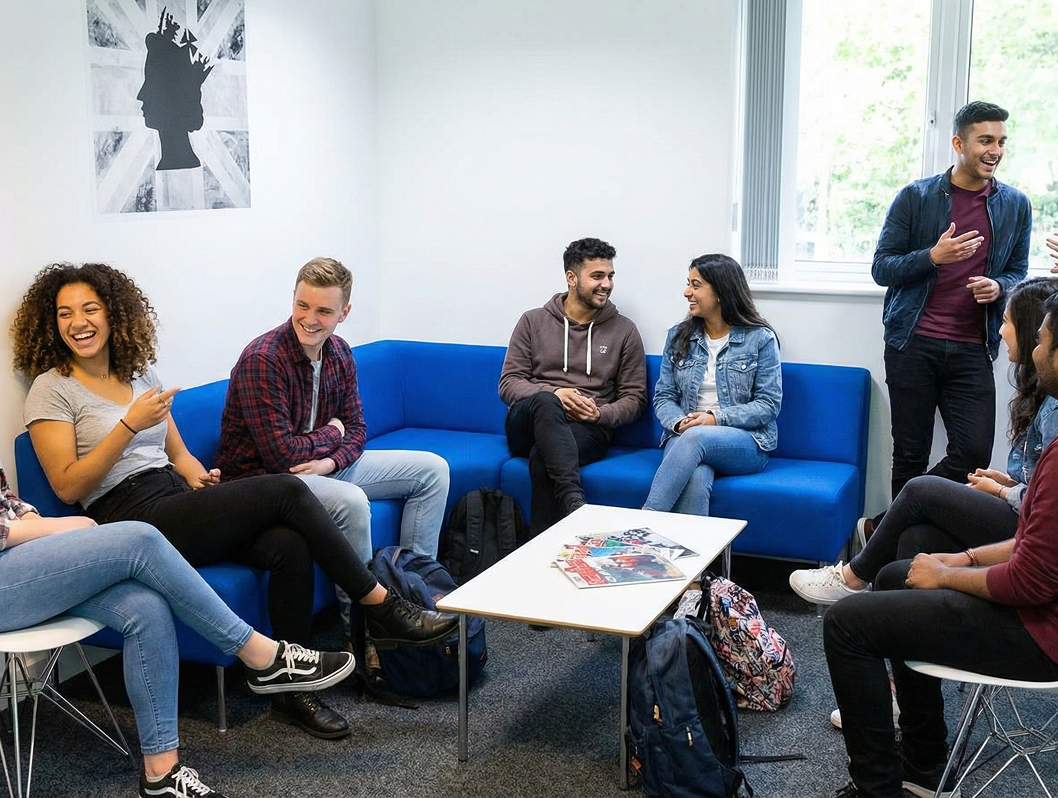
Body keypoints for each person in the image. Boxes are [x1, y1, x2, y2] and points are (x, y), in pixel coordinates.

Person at [11, 262, 458, 742]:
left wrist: (203, 480)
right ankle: (382, 604)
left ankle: (291, 693)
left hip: (174, 495)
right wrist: (127, 426)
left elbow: (176, 452)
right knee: (286, 489)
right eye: (64, 313)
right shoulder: (51, 388)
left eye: (90, 308)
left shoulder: (137, 373)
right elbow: (68, 487)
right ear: (51, 324)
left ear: (112, 312)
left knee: (289, 544)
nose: (78, 321)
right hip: (129, 516)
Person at [823, 290, 1058, 798]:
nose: (1034, 346)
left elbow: (1031, 579)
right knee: (896, 573)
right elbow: (1028, 541)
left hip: (1041, 636)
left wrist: (948, 576)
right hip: (1037, 608)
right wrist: (965, 557)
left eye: (1042, 337)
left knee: (846, 623)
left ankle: (875, 788)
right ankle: (921, 765)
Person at [0, 466, 354, 798]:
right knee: (141, 539)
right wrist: (59, 529)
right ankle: (260, 655)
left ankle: (160, 775)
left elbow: (7, 502)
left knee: (146, 606)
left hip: (22, 557)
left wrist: (39, 524)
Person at [213, 256, 449, 645]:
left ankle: (413, 591)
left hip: (320, 470)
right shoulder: (263, 359)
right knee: (352, 501)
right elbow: (282, 457)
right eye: (302, 306)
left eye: (323, 311)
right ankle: (364, 630)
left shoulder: (339, 352)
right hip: (266, 482)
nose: (309, 318)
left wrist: (329, 460)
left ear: (344, 313)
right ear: (292, 300)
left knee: (432, 470)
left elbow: (357, 427)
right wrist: (332, 433)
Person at [790, 276, 1058, 607]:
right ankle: (899, 637)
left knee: (922, 489)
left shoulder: (1053, 408)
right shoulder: (1040, 397)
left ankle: (853, 577)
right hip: (1019, 510)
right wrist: (1008, 480)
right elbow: (1040, 481)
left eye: (1006, 322)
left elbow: (1046, 504)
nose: (1001, 332)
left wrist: (1004, 491)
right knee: (915, 538)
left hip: (1028, 528)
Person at [865, 100, 1031, 543]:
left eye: (1001, 142)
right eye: (985, 140)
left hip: (974, 346)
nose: (994, 150)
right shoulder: (915, 198)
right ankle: (898, 557)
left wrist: (999, 287)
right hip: (912, 342)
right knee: (911, 456)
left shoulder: (1016, 204)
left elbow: (1018, 270)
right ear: (959, 143)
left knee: (973, 452)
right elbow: (882, 268)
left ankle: (880, 532)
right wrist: (932, 257)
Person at [498, 238, 647, 536]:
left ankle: (540, 547)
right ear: (571, 278)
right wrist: (555, 393)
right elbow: (509, 383)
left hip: (587, 429)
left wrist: (599, 415)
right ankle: (574, 503)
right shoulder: (532, 321)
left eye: (610, 276)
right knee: (546, 401)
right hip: (527, 423)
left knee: (544, 458)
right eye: (597, 276)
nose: (606, 284)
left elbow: (635, 398)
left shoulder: (624, 330)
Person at [642, 254, 781, 516]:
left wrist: (715, 419)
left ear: (720, 292)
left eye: (696, 285)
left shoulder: (760, 339)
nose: (687, 292)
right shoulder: (678, 336)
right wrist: (678, 422)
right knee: (696, 473)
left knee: (695, 439)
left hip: (746, 442)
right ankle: (696, 557)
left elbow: (768, 405)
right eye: (688, 284)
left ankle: (645, 523)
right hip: (685, 435)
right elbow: (663, 396)